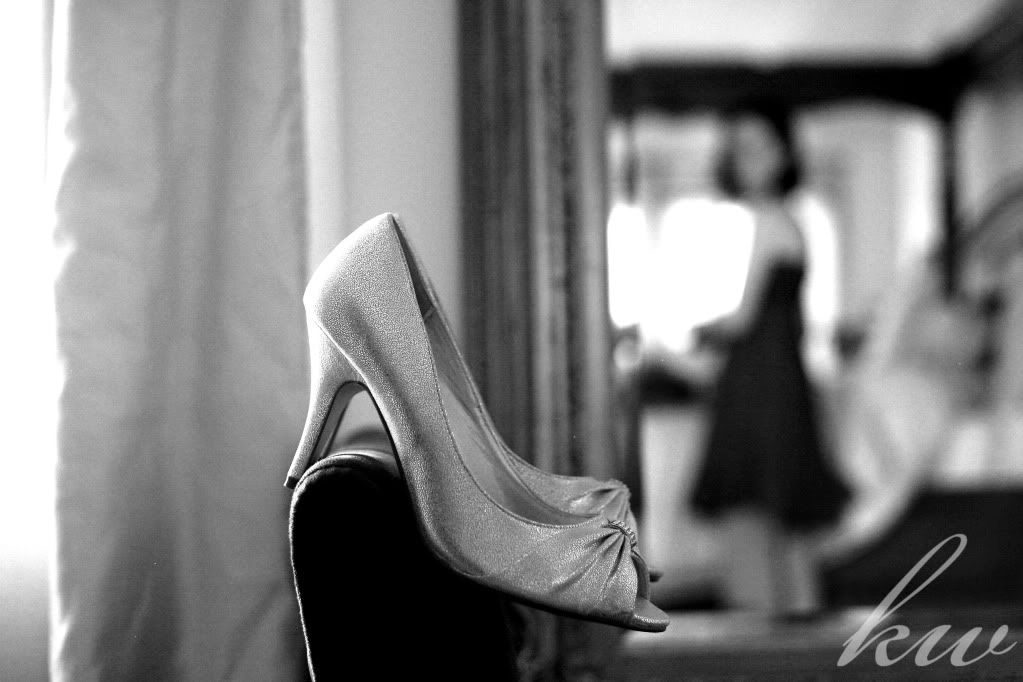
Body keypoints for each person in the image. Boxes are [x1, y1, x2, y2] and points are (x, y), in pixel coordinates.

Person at [689, 101, 850, 616]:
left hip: (761, 381)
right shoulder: (788, 221)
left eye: (758, 147)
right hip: (777, 377)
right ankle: (790, 631)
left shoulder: (768, 220)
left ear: (783, 154)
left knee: (756, 507)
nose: (747, 160)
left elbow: (740, 320)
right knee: (777, 515)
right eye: (739, 148)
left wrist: (701, 328)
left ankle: (762, 633)